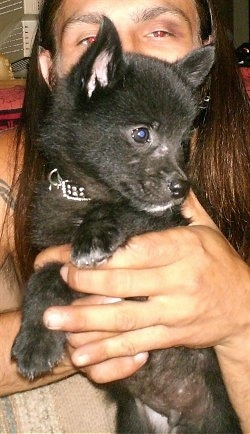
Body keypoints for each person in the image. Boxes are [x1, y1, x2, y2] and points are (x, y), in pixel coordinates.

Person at [0, 0, 249, 432]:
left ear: (200, 55)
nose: (130, 55)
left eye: (160, 31)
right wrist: (72, 321)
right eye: (89, 38)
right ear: (51, 69)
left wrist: (242, 319)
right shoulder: (20, 173)